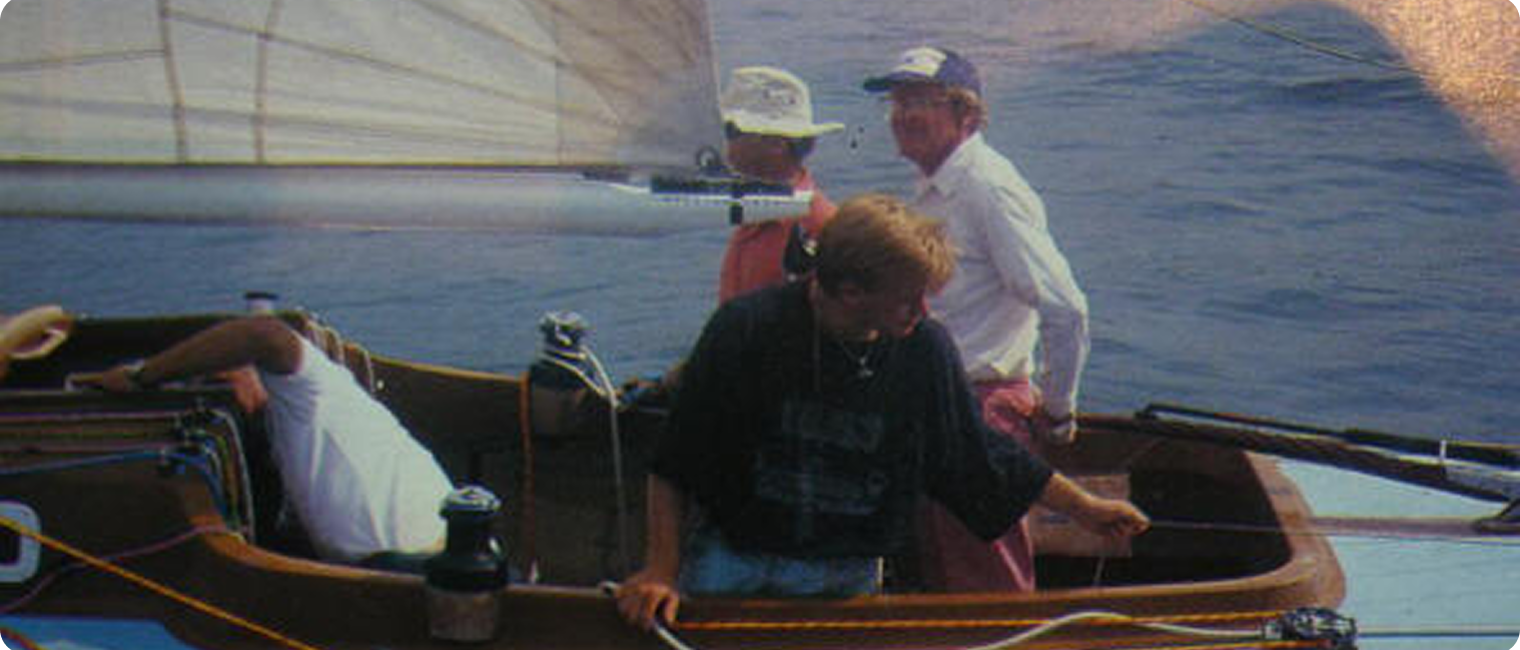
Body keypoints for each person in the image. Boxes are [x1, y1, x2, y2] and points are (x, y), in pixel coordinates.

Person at [614, 194, 1147, 631]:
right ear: (848, 291)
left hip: (844, 578)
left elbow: (973, 451)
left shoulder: (923, 347)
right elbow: (674, 462)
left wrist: (1083, 507)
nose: (923, 313)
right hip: (734, 563)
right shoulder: (745, 330)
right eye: (907, 300)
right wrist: (661, 570)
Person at [864, 45, 1093, 593]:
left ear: (967, 113)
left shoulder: (988, 187)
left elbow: (1065, 308)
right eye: (897, 101)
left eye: (920, 100)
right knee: (947, 583)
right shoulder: (938, 187)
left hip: (979, 411)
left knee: (987, 592)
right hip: (940, 408)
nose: (902, 115)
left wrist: (1058, 412)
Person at [84, 316, 455, 566]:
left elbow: (262, 335)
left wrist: (142, 377)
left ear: (252, 368)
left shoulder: (310, 389)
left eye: (223, 378)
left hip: (419, 561)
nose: (223, 397)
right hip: (386, 567)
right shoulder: (281, 433)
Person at [716, 66, 844, 304]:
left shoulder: (818, 225)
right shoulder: (759, 214)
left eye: (731, 131)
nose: (723, 140)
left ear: (776, 143)